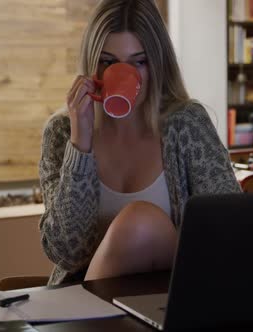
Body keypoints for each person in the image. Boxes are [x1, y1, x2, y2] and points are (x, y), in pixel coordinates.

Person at [39, 0, 241, 287]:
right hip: (82, 308)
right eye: (108, 62)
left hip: (170, 301)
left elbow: (231, 229)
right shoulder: (62, 133)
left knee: (140, 222)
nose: (124, 74)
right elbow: (66, 254)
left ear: (158, 64)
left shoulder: (187, 124)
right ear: (91, 65)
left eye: (139, 61)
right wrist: (80, 146)